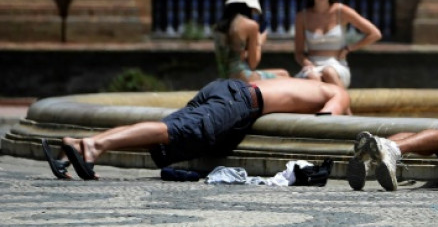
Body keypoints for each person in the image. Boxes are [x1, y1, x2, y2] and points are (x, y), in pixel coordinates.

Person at [41, 77, 350, 181]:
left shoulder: (309, 82)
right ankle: (95, 146)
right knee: (172, 132)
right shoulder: (337, 91)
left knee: (169, 139)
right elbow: (324, 125)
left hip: (225, 88)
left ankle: (77, 145)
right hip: (242, 101)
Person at [294, 0, 382, 91]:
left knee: (328, 72)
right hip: (312, 65)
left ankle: (345, 108)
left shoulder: (341, 11)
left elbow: (375, 34)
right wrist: (307, 64)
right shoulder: (301, 17)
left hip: (336, 64)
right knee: (312, 76)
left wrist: (349, 48)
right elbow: (298, 52)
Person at [214, 0, 288, 81]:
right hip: (242, 78)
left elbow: (233, 57)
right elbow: (253, 63)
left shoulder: (220, 26)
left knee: (283, 73)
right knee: (285, 77)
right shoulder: (250, 25)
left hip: (224, 78)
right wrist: (259, 42)